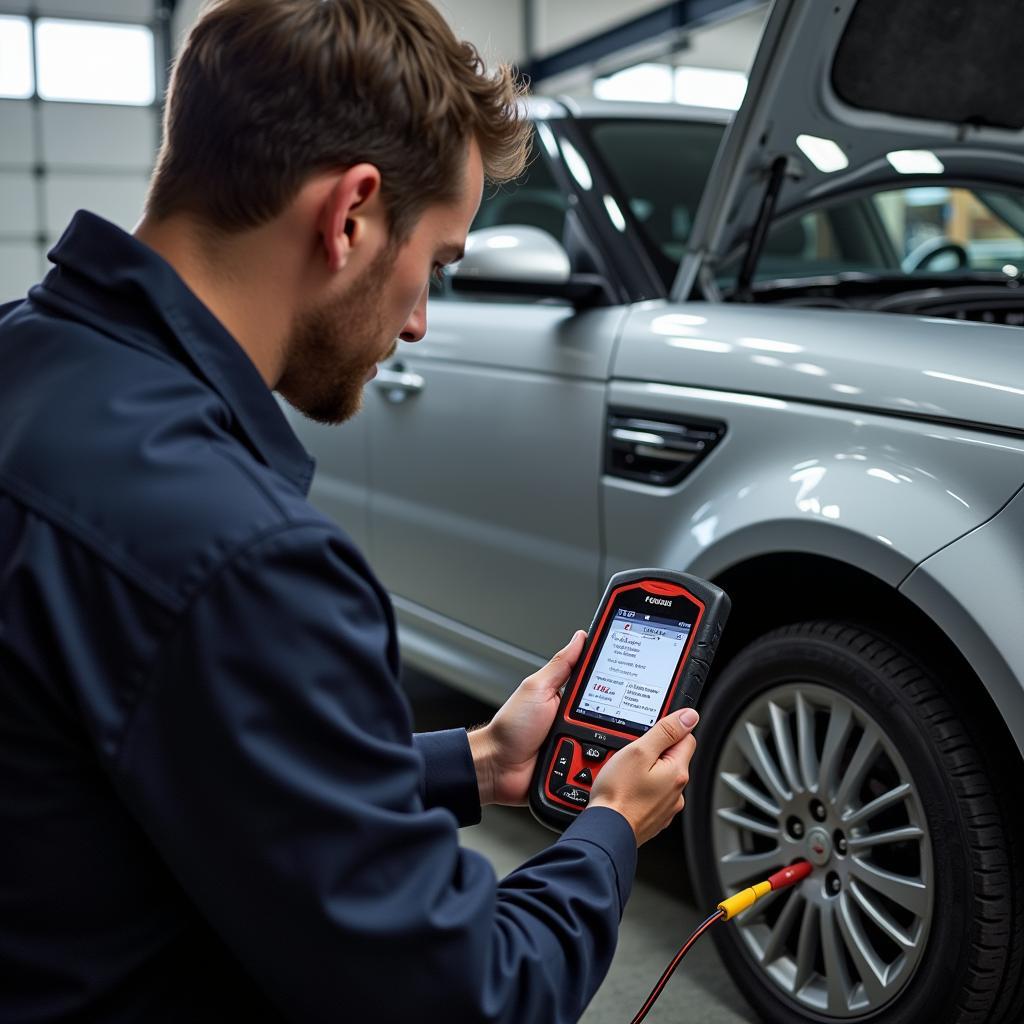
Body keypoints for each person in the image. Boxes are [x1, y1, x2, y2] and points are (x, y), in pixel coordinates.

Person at [0, 1, 700, 1020]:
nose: (418, 319)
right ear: (352, 215)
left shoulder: (25, 356)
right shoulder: (243, 556)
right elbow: (469, 995)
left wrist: (478, 761)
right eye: (437, 262)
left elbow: (180, 753)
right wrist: (606, 829)